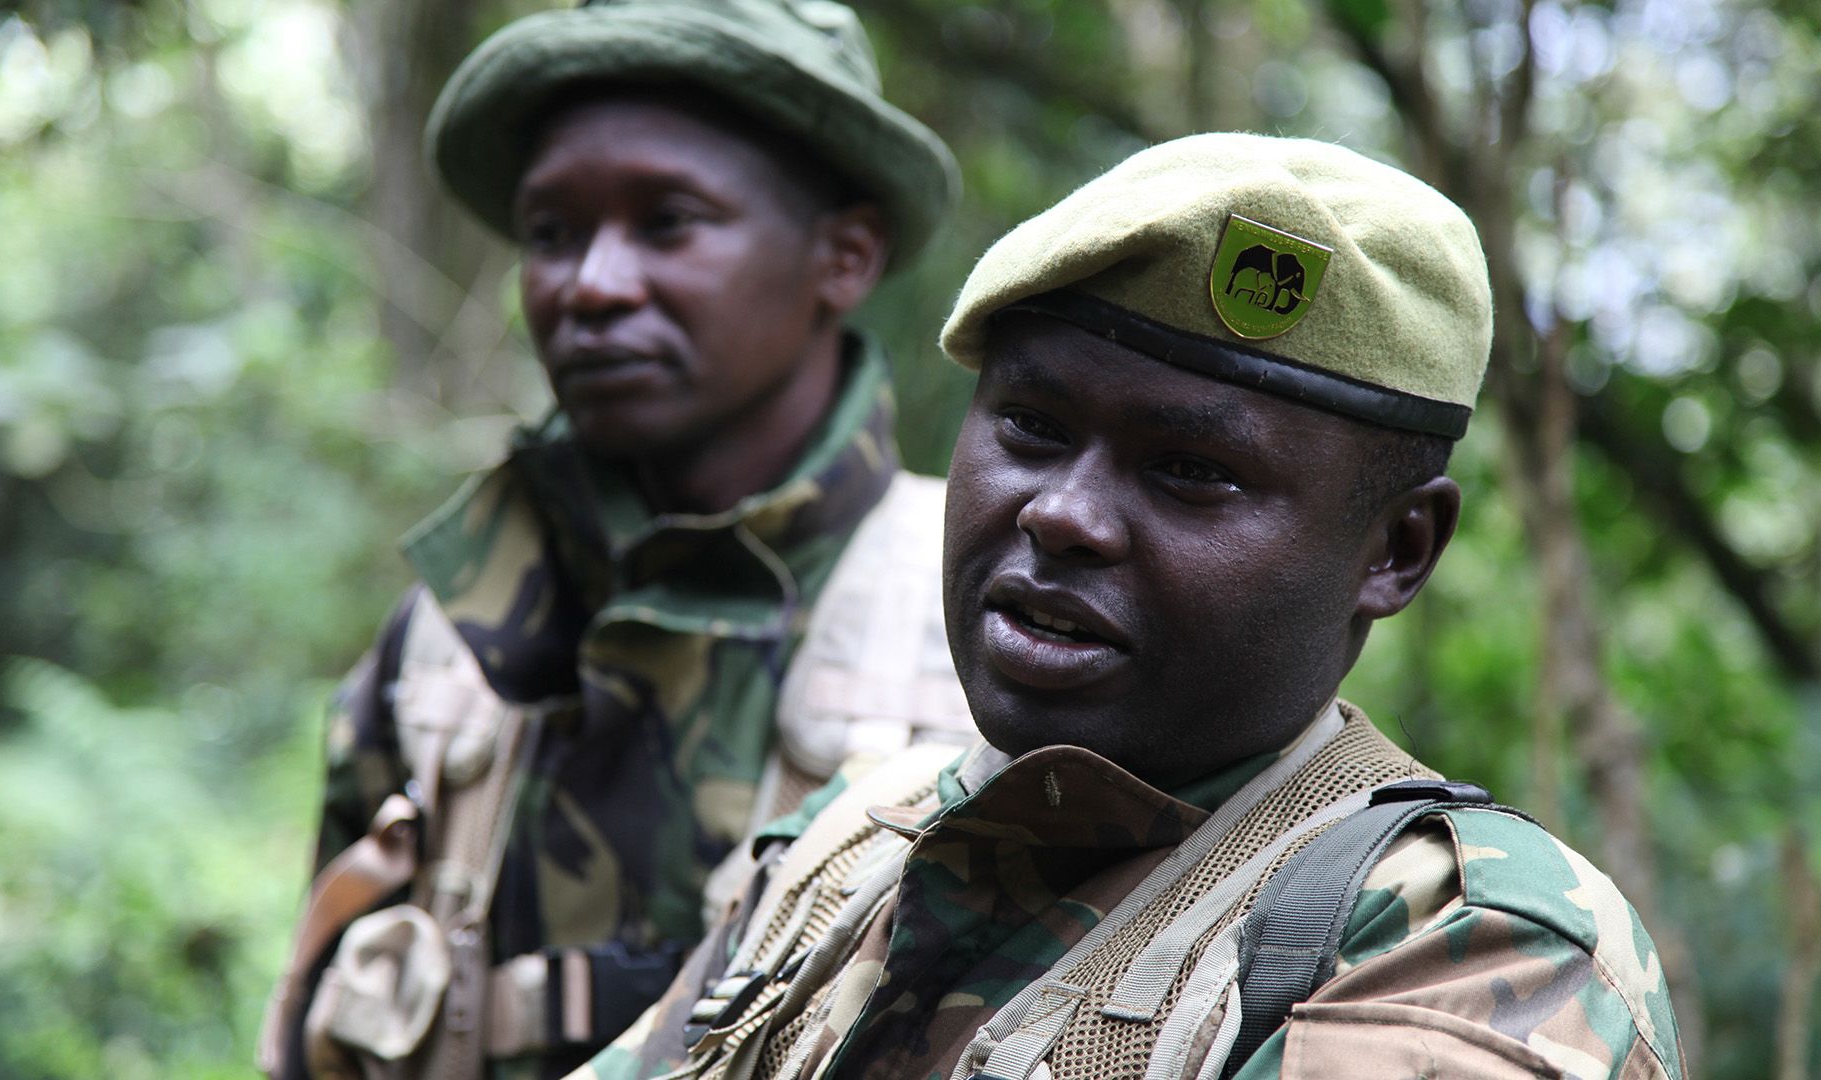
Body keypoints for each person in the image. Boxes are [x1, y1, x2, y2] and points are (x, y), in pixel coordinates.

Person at [571, 133, 1686, 1080]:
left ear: (1395, 551)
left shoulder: (1467, 948)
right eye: (1033, 428)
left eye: (1191, 471)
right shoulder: (851, 839)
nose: (1063, 516)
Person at [257, 2, 970, 1077]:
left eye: (669, 221)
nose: (591, 283)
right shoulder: (449, 643)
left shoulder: (984, 625)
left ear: (846, 255)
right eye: (551, 233)